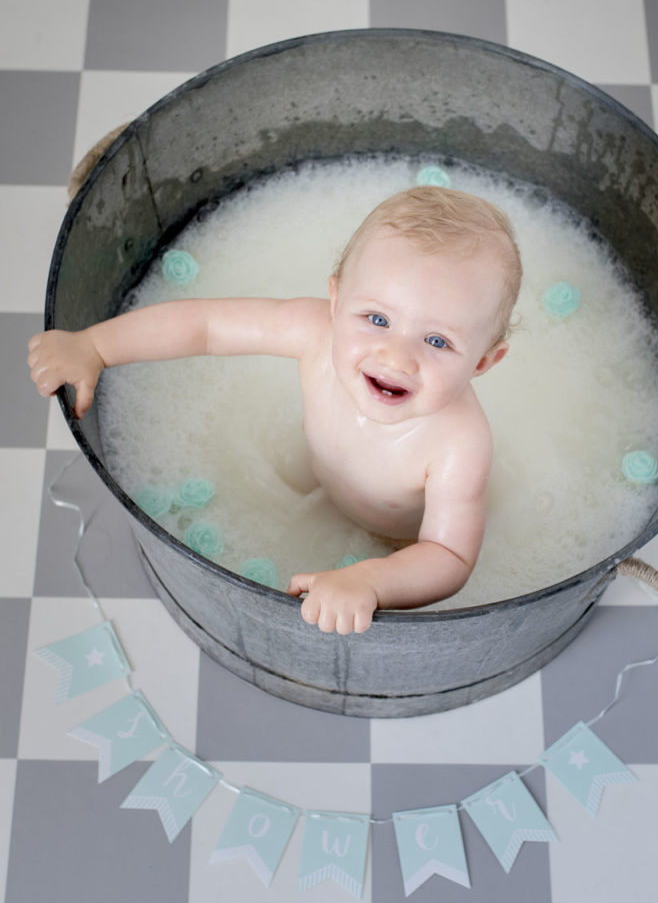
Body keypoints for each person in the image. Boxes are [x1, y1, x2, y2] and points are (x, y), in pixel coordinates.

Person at [28, 186, 522, 634]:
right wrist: (95, 346)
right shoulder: (315, 332)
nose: (396, 357)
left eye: (437, 340)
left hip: (400, 541)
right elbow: (207, 325)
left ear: (484, 361)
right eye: (377, 318)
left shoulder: (459, 442)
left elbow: (449, 554)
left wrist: (371, 581)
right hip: (322, 480)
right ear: (335, 299)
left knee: (392, 572)